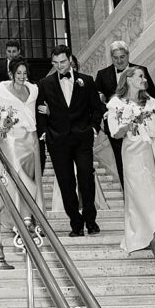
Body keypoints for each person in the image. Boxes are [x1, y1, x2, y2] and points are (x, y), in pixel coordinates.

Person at [106, 67, 155, 259]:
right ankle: (152, 239)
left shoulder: (151, 102)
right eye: (140, 76)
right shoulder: (115, 103)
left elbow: (154, 130)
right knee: (139, 194)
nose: (144, 79)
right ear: (128, 79)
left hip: (150, 151)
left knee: (154, 194)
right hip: (131, 154)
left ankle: (152, 231)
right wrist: (127, 125)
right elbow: (115, 132)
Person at [35, 44, 101, 237]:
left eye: (62, 62)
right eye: (55, 63)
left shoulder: (86, 81)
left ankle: (91, 219)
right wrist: (45, 133)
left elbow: (96, 108)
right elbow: (40, 111)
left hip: (83, 139)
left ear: (70, 59)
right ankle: (76, 223)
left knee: (86, 177)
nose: (59, 66)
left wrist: (94, 128)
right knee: (66, 182)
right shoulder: (45, 83)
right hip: (58, 140)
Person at [94, 40, 155, 190]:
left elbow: (154, 97)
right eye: (115, 57)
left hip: (141, 129)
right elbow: (95, 101)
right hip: (117, 130)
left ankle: (147, 195)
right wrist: (106, 115)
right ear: (111, 57)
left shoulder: (141, 71)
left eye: (122, 57)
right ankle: (129, 198)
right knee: (122, 162)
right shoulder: (102, 75)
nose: (119, 60)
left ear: (128, 55)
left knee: (144, 164)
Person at [0, 59, 43, 230]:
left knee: (33, 179)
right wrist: (3, 126)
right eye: (18, 73)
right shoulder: (2, 93)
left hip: (31, 140)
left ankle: (32, 216)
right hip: (13, 142)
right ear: (11, 74)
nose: (22, 76)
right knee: (20, 179)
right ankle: (22, 218)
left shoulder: (33, 90)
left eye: (25, 73)